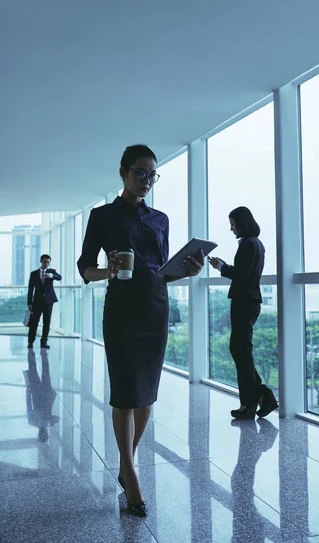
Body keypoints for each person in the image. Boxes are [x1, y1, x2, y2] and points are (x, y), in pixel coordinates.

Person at [77, 144, 204, 517]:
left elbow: (161, 268)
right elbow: (85, 267)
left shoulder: (161, 219)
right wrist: (108, 271)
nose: (146, 180)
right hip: (121, 310)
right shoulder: (102, 216)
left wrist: (188, 269)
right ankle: (131, 475)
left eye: (152, 174)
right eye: (140, 173)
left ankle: (124, 463)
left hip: (156, 307)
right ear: (123, 172)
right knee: (124, 394)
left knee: (146, 396)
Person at [209, 206, 278, 420]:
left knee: (240, 350)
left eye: (233, 223)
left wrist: (221, 266)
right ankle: (260, 397)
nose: (231, 228)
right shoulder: (256, 244)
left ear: (242, 222)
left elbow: (240, 275)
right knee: (241, 350)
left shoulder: (249, 244)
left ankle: (251, 402)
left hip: (244, 302)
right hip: (249, 301)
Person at [23, 349, 59, 442]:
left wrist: (52, 422)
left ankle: (43, 353)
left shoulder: (49, 422)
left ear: (45, 433)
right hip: (36, 393)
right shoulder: (33, 422)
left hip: (46, 394)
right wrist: (28, 392)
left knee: (45, 370)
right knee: (33, 369)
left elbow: (57, 418)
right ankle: (31, 351)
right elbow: (29, 405)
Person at [27, 254, 62, 349]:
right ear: (41, 261)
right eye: (44, 262)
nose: (46, 264)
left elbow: (59, 277)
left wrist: (51, 276)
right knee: (34, 323)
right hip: (37, 302)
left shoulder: (51, 272)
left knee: (47, 323)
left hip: (48, 301)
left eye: (48, 262)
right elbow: (30, 289)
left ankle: (44, 342)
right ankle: (30, 342)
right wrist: (29, 303)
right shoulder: (34, 274)